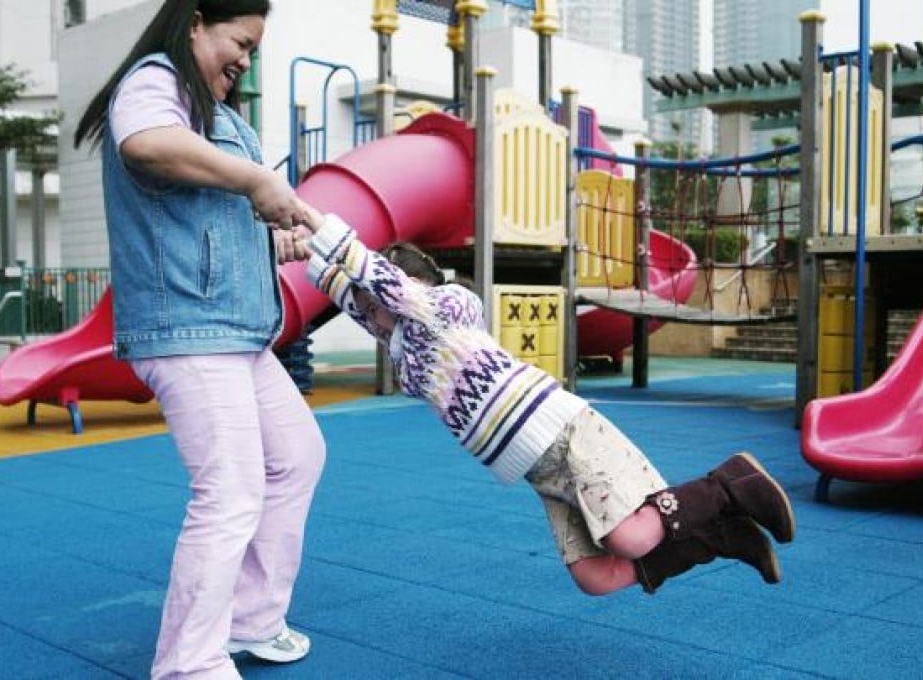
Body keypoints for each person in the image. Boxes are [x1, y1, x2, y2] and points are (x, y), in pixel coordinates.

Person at [280, 208, 794, 597]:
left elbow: (385, 287)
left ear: (412, 284)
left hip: (560, 431)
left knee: (630, 539)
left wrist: (315, 221)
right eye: (367, 312)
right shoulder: (408, 359)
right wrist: (308, 254)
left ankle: (728, 483)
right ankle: (721, 538)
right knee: (594, 576)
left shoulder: (448, 305)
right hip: (535, 468)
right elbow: (358, 295)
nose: (374, 316)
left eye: (379, 302)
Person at [74, 2, 325, 677]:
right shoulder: (155, 82)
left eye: (253, 50)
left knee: (298, 454)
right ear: (194, 23)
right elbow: (146, 143)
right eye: (239, 42)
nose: (245, 60)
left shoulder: (220, 117)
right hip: (186, 329)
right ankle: (188, 663)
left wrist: (275, 239)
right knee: (231, 489)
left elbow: (209, 222)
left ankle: (252, 619)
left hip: (233, 330)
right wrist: (256, 178)